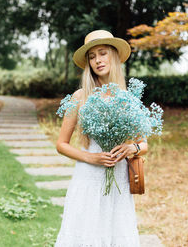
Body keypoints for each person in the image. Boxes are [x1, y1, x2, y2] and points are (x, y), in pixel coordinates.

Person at [54, 30, 148, 246]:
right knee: (86, 233)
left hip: (119, 180)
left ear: (113, 56)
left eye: (102, 53)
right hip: (88, 177)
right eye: (92, 56)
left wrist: (131, 148)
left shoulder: (128, 98)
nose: (97, 60)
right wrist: (92, 158)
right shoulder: (80, 97)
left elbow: (144, 144)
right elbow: (61, 144)